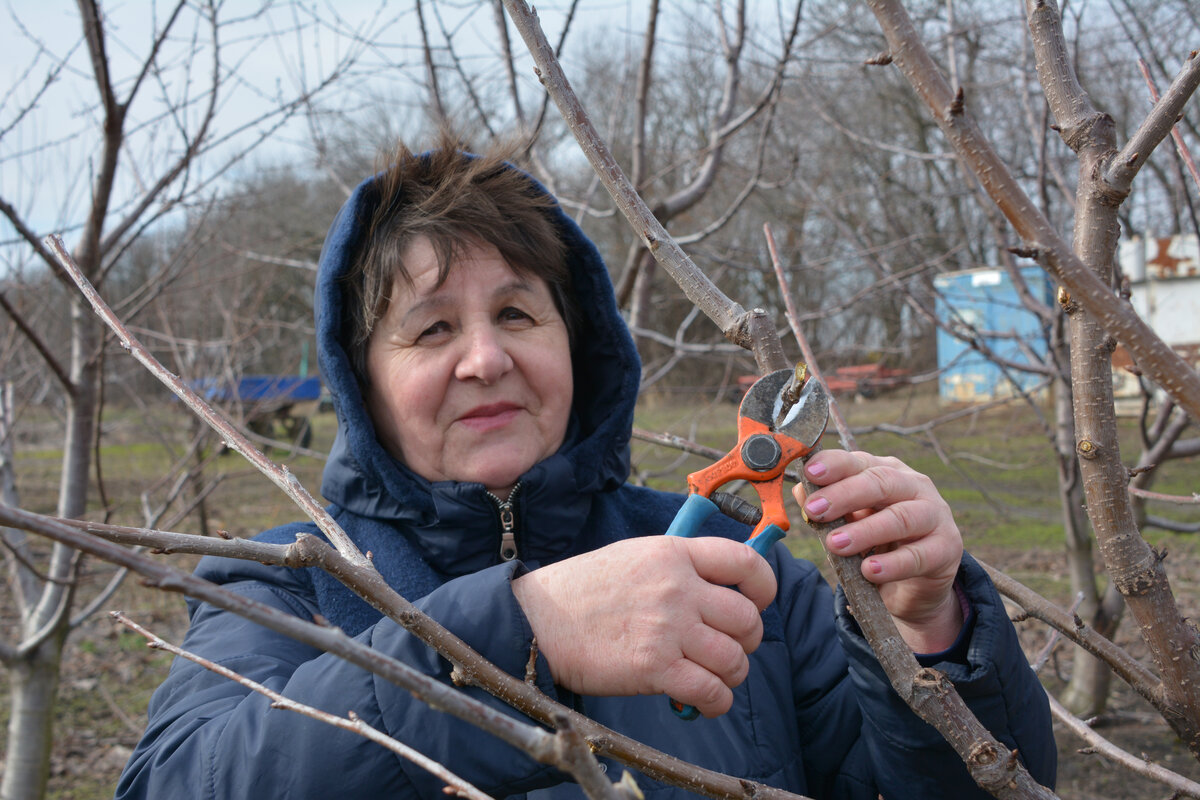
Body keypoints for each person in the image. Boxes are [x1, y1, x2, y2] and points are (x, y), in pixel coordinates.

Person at [116, 137, 1056, 799]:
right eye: (433, 327)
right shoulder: (286, 585)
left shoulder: (752, 576)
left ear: (580, 347)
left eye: (519, 314)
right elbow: (176, 785)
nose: (485, 358)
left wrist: (933, 630)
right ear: (363, 381)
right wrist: (516, 636)